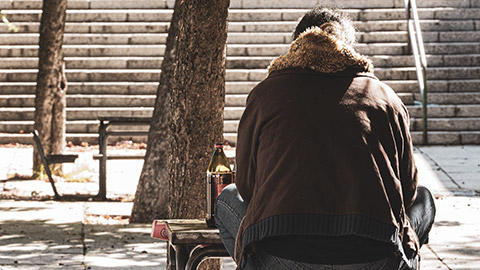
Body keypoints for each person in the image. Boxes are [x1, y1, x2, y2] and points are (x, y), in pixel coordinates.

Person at [214, 6, 436, 270]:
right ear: (350, 50)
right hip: (376, 256)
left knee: (226, 198)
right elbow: (408, 192)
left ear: (296, 45)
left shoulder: (265, 94)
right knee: (425, 200)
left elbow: (246, 187)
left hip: (282, 253)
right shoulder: (385, 97)